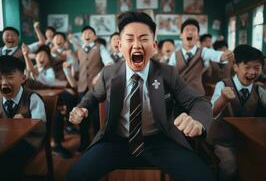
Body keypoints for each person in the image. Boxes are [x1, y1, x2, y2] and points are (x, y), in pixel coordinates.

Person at [67, 11, 214, 181]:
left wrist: (197, 120)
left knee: (203, 176)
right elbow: (93, 96)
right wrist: (81, 108)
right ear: (120, 45)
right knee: (75, 175)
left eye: (144, 39)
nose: (136, 45)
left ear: (154, 45)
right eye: (129, 39)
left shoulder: (168, 73)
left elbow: (199, 101)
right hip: (116, 142)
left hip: (160, 141)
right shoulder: (109, 73)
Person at [207, 45, 266, 181]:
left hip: (244, 140)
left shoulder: (259, 89)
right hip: (222, 139)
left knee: (258, 163)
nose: (252, 72)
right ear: (235, 67)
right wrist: (223, 99)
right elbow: (211, 112)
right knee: (230, 167)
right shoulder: (222, 85)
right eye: (247, 67)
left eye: (257, 68)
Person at [0, 55, 46, 180]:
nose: (4, 83)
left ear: (23, 78)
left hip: (29, 141)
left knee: (8, 160)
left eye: (10, 78)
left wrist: (27, 122)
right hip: (5, 140)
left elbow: (41, 126)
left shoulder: (32, 98)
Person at [68, 25, 113, 152]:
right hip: (82, 87)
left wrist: (99, 76)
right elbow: (76, 69)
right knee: (81, 117)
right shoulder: (79, 50)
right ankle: (84, 143)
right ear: (82, 37)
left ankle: (98, 145)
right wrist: (69, 67)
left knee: (96, 118)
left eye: (90, 33)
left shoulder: (100, 48)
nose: (87, 35)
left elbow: (109, 64)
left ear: (95, 36)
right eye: (84, 33)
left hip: (97, 88)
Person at [168, 19, 234, 95]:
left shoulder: (203, 52)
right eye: (187, 30)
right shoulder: (174, 55)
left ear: (198, 36)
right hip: (178, 95)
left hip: (197, 95)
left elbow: (215, 55)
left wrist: (224, 56)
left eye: (193, 30)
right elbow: (169, 74)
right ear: (181, 35)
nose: (190, 32)